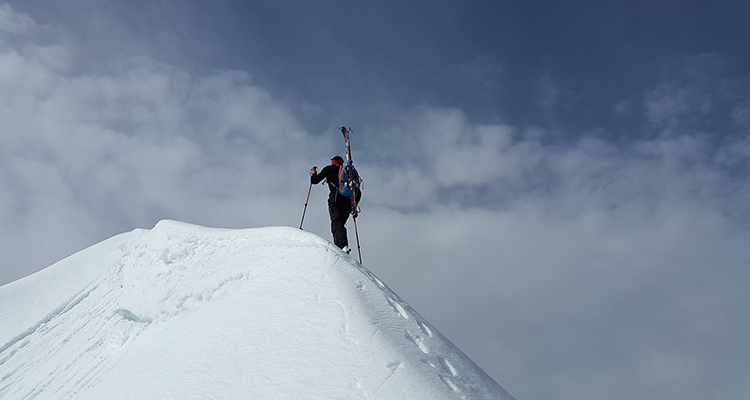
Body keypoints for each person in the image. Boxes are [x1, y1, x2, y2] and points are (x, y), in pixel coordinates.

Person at [310, 156, 355, 253]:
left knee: (336, 221)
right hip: (348, 200)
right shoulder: (346, 171)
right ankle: (344, 245)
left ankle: (341, 246)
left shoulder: (329, 169)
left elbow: (314, 181)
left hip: (336, 198)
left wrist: (313, 174)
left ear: (333, 162)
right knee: (341, 223)